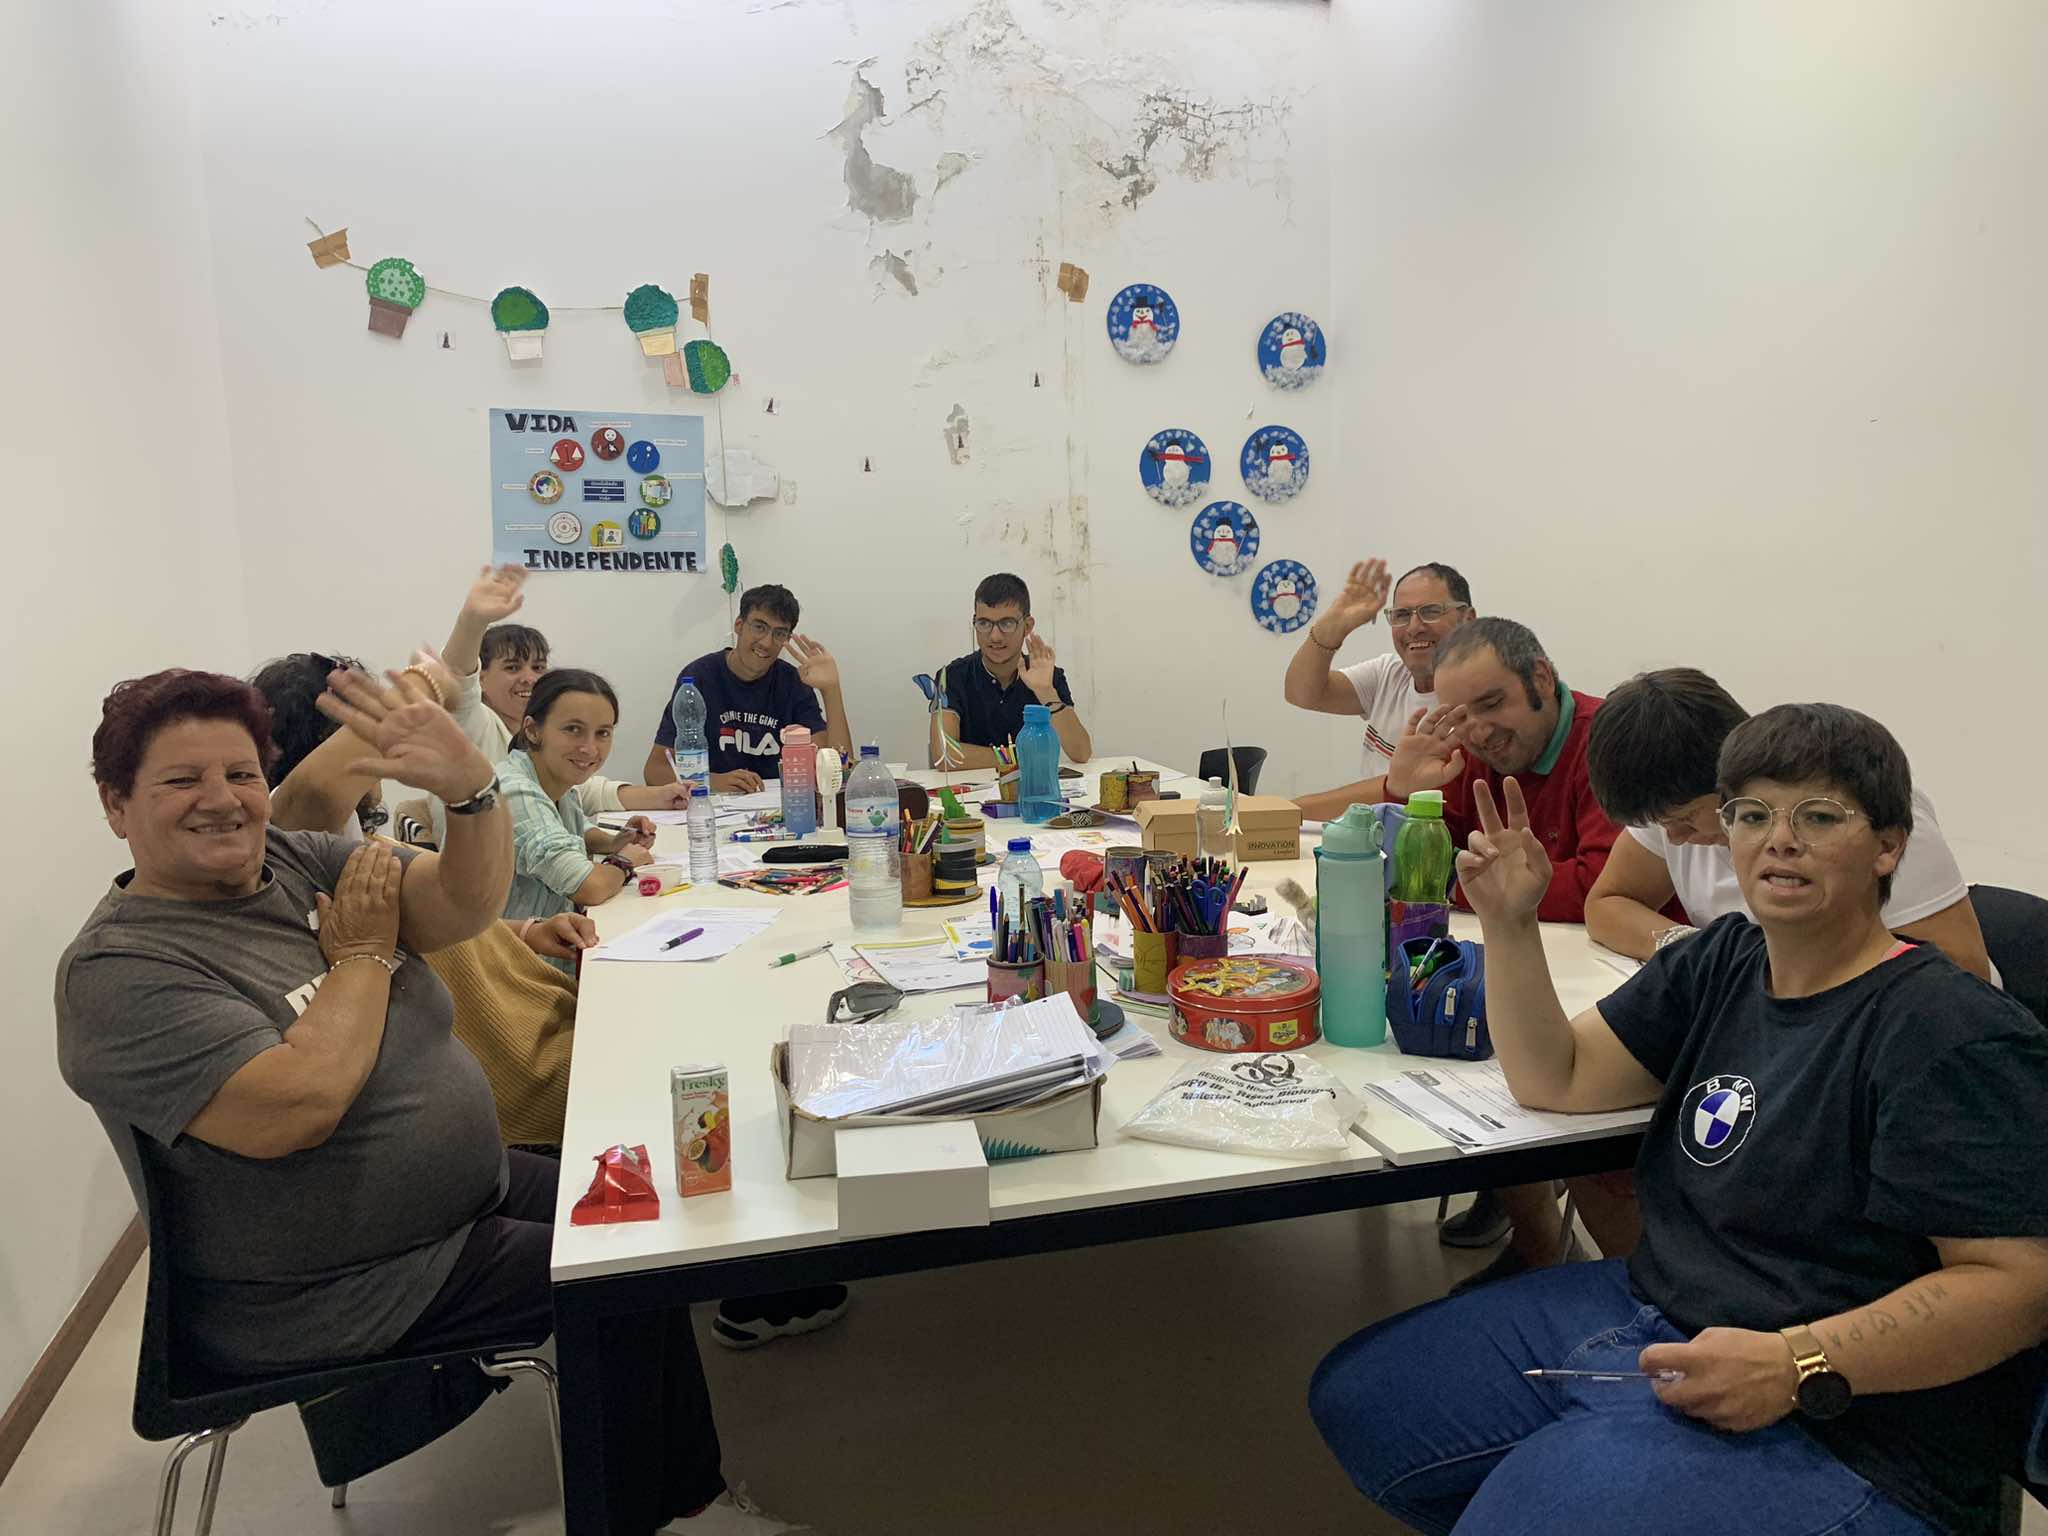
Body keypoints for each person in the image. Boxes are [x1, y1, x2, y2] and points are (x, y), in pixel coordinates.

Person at [55, 667, 798, 1532]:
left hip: (461, 1198)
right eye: (183, 779)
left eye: (241, 774)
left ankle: (685, 1498)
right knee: (624, 1278)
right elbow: (298, 1106)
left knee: (655, 1235)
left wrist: (474, 796)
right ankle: (656, 1517)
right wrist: (364, 957)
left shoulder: (294, 861)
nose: (222, 800)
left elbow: (460, 903)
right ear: (116, 805)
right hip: (342, 1283)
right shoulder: (121, 972)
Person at [1310, 705, 2048, 1536]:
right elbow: (1557, 1076)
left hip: (1848, 1422)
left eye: (1818, 817)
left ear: (1888, 847)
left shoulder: (1947, 1030)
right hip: (1657, 1309)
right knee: (1362, 1402)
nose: (1779, 841)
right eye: (1753, 815)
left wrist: (1796, 1361)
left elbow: (2016, 1288)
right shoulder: (1721, 959)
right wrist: (1510, 923)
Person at [1379, 617, 1651, 1282]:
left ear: (1542, 678)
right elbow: (1424, 869)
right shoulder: (1478, 752)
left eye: (1492, 703)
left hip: (1614, 972)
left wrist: (1482, 890)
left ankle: (1619, 1281)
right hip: (1526, 953)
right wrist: (1406, 793)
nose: (1477, 731)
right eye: (1460, 714)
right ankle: (1537, 1248)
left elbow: (1594, 885)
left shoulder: (1609, 742)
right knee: (1470, 1038)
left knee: (1525, 1062)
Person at [252, 650, 591, 1144]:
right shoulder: (315, 852)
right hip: (536, 1064)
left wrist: (524, 932)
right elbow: (314, 791)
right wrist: (438, 671)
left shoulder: (368, 847)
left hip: (550, 1016)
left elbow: (438, 923)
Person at [1584, 667, 1992, 980]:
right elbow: (1608, 903)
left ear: (1728, 780)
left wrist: (1750, 973)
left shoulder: (1868, 816)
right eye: (1661, 825)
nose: (1675, 838)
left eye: (1687, 819)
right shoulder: (1674, 804)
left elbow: (1964, 971)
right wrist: (1690, 948)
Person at [434, 565, 687, 838]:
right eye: (512, 667)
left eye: (538, 667)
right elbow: (456, 679)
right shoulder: (473, 722)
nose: (529, 678)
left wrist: (661, 796)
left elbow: (586, 791)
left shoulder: (542, 730)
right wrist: (472, 622)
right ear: (481, 677)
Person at [1288, 559, 1476, 822]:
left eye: (1431, 611)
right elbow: (1301, 693)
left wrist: (1288, 811)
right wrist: (1332, 627)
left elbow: (1397, 788)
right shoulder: (1391, 672)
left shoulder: (1480, 702)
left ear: (1467, 619)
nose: (1414, 627)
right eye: (1402, 615)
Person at [501, 667, 658, 958]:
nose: (589, 748)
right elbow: (589, 887)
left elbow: (572, 829)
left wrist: (615, 841)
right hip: (511, 970)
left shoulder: (555, 781)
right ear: (532, 730)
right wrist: (623, 861)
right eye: (573, 729)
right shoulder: (514, 793)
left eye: (602, 733)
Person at [643, 582, 853, 793]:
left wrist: (831, 690)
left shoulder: (793, 682)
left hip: (782, 804)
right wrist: (714, 782)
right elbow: (655, 771)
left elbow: (837, 771)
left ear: (787, 639)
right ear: (739, 625)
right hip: (713, 803)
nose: (767, 643)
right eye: (759, 627)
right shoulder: (699, 678)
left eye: (779, 633)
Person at [930, 572, 1093, 768]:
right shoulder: (952, 677)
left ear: (1027, 626)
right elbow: (944, 754)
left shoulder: (1048, 676)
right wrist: (1018, 759)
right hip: (974, 786)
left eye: (1007, 624)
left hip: (1032, 784)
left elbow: (1081, 752)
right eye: (984, 624)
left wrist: (1046, 692)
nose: (995, 636)